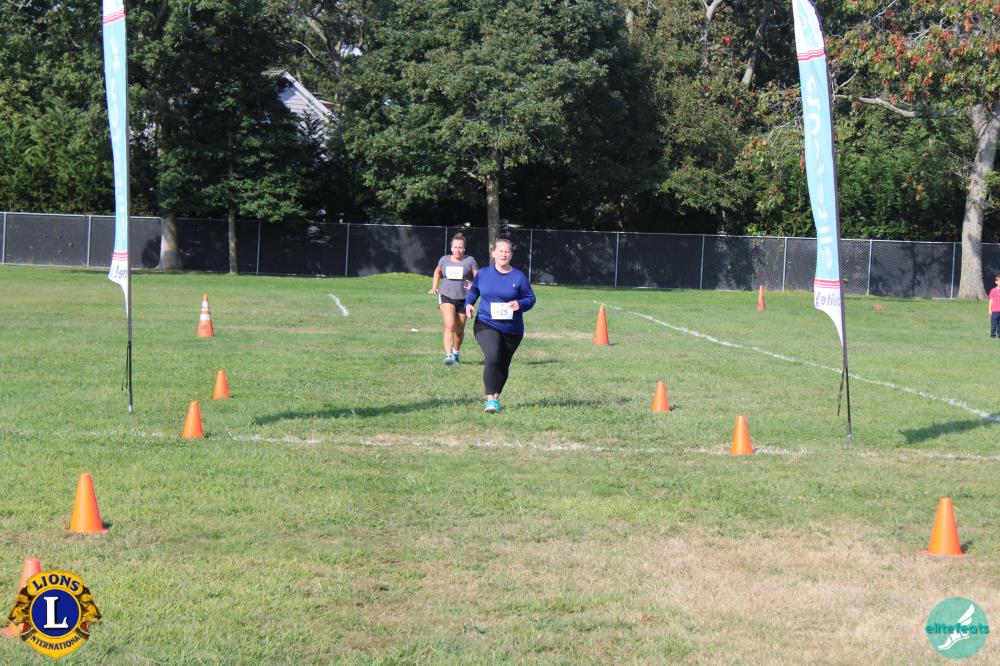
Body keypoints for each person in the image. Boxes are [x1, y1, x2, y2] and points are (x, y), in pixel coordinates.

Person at [465, 238, 536, 413]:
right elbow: (474, 290)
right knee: (493, 356)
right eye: (501, 251)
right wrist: (469, 303)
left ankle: (495, 398)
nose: (504, 254)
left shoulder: (518, 277)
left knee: (503, 364)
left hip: (512, 329)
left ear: (511, 255)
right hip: (486, 323)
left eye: (507, 251)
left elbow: (530, 298)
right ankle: (489, 400)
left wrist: (520, 303)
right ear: (493, 253)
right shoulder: (483, 273)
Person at [429, 233, 478, 365]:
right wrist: (434, 287)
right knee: (449, 326)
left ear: (464, 248)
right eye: (455, 247)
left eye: (460, 247)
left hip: (464, 299)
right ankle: (448, 356)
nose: (458, 250)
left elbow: (478, 277)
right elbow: (437, 272)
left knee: (459, 331)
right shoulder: (444, 260)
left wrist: (473, 285)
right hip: (446, 295)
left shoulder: (470, 260)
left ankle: (456, 353)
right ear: (451, 248)